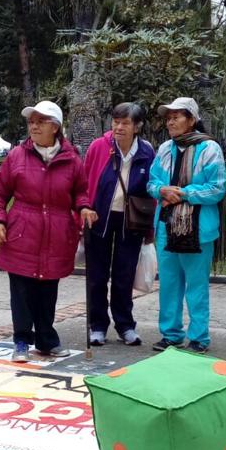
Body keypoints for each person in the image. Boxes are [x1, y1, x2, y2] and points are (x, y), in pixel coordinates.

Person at [0, 100, 90, 363]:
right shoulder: (16, 156)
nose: (33, 126)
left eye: (40, 121)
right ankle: (21, 341)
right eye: (31, 121)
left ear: (54, 127)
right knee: (22, 292)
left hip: (56, 235)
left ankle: (47, 339)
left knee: (48, 292)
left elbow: (80, 192)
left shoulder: (72, 160)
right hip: (22, 233)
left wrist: (84, 208)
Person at [148, 97, 226, 355]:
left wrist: (183, 193)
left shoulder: (209, 149)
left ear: (191, 120)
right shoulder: (164, 150)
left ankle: (199, 337)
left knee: (196, 285)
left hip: (198, 229)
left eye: (177, 116)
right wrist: (161, 190)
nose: (170, 121)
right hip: (166, 226)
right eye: (168, 117)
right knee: (169, 283)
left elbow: (217, 188)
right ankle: (170, 334)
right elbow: (151, 183)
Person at [81, 102, 156, 346]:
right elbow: (85, 180)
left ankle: (125, 325)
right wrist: (85, 208)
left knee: (124, 275)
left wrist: (149, 229)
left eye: (125, 123)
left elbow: (151, 190)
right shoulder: (99, 147)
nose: (119, 127)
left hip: (131, 220)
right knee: (97, 275)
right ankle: (97, 325)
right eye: (116, 122)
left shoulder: (146, 152)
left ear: (137, 126)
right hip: (99, 217)